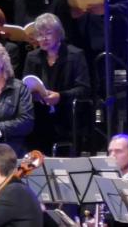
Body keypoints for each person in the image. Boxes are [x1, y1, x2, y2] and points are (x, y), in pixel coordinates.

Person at [23, 13, 90, 154]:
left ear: (59, 33)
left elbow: (84, 89)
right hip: (40, 115)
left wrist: (60, 96)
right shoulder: (32, 57)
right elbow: (25, 86)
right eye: (39, 35)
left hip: (67, 115)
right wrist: (33, 94)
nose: (43, 38)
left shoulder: (75, 55)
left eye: (48, 33)